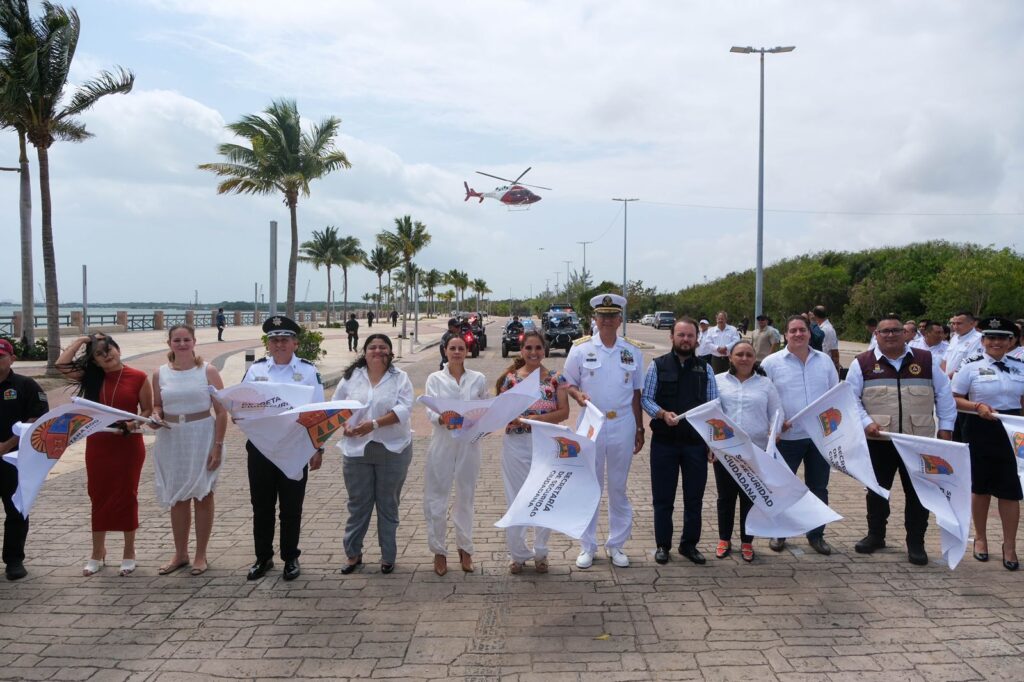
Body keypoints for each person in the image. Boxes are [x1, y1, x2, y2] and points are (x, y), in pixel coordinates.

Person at [847, 314, 956, 565]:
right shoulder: (862, 362)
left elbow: (944, 397)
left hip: (918, 442)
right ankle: (876, 536)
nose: (890, 335)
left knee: (919, 494)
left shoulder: (927, 360)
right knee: (877, 492)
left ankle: (916, 543)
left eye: (895, 330)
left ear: (905, 334)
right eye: (884, 331)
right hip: (879, 440)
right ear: (876, 335)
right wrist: (866, 422)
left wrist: (946, 429)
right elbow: (851, 399)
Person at [56, 333, 153, 577]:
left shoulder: (138, 376)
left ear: (118, 349)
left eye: (109, 349)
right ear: (95, 360)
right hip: (98, 443)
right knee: (98, 496)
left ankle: (129, 552)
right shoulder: (92, 377)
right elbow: (61, 364)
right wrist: (82, 341)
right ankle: (97, 553)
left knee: (127, 495)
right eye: (99, 353)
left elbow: (148, 409)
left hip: (128, 444)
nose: (106, 355)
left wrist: (130, 426)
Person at [563, 294, 644, 569]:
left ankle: (616, 545)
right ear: (594, 319)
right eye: (603, 316)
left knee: (618, 488)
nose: (607, 320)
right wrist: (577, 395)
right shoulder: (580, 349)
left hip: (622, 423)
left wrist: (640, 427)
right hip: (592, 422)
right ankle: (587, 546)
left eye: (612, 316)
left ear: (620, 319)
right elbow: (568, 383)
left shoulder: (632, 351)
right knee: (590, 486)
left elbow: (636, 393)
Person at [242, 316, 324, 582]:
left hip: (294, 448)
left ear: (295, 343)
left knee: (291, 507)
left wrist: (317, 448)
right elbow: (244, 402)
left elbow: (318, 411)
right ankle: (262, 557)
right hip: (261, 448)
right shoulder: (256, 370)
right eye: (274, 340)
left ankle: (290, 556)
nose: (279, 344)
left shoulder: (308, 371)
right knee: (261, 505)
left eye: (284, 340)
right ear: (269, 344)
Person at [150, 325, 228, 576]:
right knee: (178, 496)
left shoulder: (208, 371)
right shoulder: (159, 374)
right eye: (177, 340)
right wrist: (155, 415)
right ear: (169, 343)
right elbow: (157, 406)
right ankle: (180, 553)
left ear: (194, 342)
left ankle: (200, 554)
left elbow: (222, 410)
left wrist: (217, 446)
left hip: (202, 434)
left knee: (203, 494)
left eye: (186, 339)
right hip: (171, 437)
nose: (182, 344)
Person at [640, 317, 718, 565]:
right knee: (663, 498)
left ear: (697, 339)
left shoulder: (705, 369)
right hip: (664, 443)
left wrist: (712, 443)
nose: (686, 340)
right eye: (681, 335)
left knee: (694, 498)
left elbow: (714, 406)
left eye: (690, 336)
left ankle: (689, 545)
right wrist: (662, 414)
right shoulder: (657, 366)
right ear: (671, 337)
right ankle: (663, 545)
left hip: (695, 444)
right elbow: (646, 399)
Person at [335, 334, 414, 575]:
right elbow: (337, 406)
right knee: (358, 504)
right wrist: (345, 426)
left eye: (383, 347)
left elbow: (404, 409)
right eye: (372, 347)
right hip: (357, 450)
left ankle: (388, 555)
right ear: (364, 351)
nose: (377, 351)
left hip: (392, 448)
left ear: (390, 352)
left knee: (388, 504)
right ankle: (353, 553)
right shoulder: (351, 377)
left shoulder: (400, 378)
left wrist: (374, 425)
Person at [760, 315, 839, 555]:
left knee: (818, 488)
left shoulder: (824, 361)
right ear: (785, 335)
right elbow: (764, 396)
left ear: (809, 333)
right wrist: (774, 424)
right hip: (786, 439)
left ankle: (816, 534)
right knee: (782, 488)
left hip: (818, 438)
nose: (797, 334)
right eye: (793, 330)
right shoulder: (771, 363)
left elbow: (834, 395)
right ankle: (778, 533)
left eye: (802, 330)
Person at [951, 316, 1024, 571]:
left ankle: (1010, 545)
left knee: (1011, 489)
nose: (996, 342)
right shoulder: (970, 366)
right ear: (983, 341)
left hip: (1013, 432)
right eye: (991, 338)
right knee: (980, 487)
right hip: (980, 428)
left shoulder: (1020, 366)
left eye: (1002, 338)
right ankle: (980, 539)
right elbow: (954, 397)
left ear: (1011, 341)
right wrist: (977, 406)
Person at [496, 330, 569, 574]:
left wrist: (531, 419)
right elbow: (501, 413)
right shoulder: (510, 380)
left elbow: (563, 412)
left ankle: (541, 553)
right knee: (516, 498)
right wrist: (515, 420)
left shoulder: (556, 378)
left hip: (546, 443)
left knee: (543, 498)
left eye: (538, 348)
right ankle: (517, 555)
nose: (534, 352)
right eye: (529, 348)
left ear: (544, 350)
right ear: (522, 350)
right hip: (517, 446)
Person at [422, 335, 488, 576]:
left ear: (467, 351)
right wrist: (441, 418)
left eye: (461, 348)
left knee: (466, 497)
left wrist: (480, 419)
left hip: (469, 444)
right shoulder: (435, 379)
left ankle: (465, 548)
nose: (457, 352)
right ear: (445, 351)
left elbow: (484, 407)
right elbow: (430, 409)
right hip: (442, 442)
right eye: (453, 348)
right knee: (436, 497)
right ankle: (439, 552)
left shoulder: (478, 378)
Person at [713, 340, 781, 563]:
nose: (744, 358)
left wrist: (775, 430)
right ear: (730, 357)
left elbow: (777, 413)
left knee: (750, 497)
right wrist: (710, 444)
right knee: (726, 497)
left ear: (754, 359)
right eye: (739, 354)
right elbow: (711, 414)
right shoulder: (717, 382)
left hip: (755, 450)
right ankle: (724, 539)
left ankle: (747, 541)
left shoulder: (765, 384)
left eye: (749, 355)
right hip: (725, 450)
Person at [0, 339, 48, 580]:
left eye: (1, 356)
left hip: (14, 459)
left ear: (12, 359)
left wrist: (7, 444)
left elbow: (38, 419)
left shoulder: (25, 385)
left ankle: (14, 560)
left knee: (16, 509)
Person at [942, 310, 982, 378]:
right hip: (947, 382)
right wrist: (941, 376)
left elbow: (970, 365)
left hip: (963, 381)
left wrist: (947, 378)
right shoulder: (955, 337)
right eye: (953, 324)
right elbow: (945, 360)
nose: (955, 327)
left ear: (971, 324)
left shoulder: (979, 339)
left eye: (959, 323)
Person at [811, 306, 840, 371]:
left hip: (826, 365)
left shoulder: (828, 329)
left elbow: (834, 351)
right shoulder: (820, 327)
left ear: (815, 316)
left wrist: (836, 368)